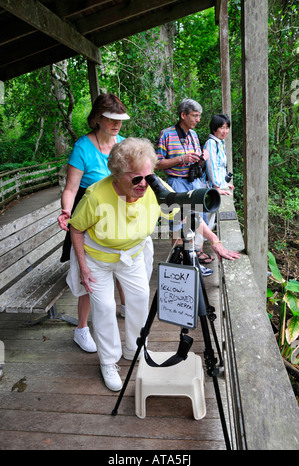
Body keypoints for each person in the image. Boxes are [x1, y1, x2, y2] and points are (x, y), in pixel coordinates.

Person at [66, 137, 240, 392]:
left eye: (147, 176)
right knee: (103, 307)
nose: (143, 184)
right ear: (117, 175)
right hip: (98, 258)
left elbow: (184, 213)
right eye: (135, 178)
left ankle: (134, 346)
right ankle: (108, 360)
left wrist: (214, 240)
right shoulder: (96, 195)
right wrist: (83, 266)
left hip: (132, 255)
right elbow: (77, 228)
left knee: (139, 298)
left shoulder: (153, 189)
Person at [57, 93, 129, 353]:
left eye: (120, 119)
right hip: (88, 217)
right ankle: (82, 329)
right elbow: (71, 188)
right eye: (111, 119)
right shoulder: (83, 147)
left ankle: (125, 308)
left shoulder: (122, 144)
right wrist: (66, 210)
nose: (117, 124)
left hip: (117, 215)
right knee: (90, 275)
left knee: (122, 262)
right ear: (98, 118)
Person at [156, 98, 214, 271]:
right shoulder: (167, 134)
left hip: (193, 181)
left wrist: (202, 159)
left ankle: (197, 254)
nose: (198, 120)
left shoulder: (193, 135)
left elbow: (195, 163)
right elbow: (157, 163)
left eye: (199, 116)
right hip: (176, 182)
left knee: (199, 217)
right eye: (195, 116)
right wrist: (181, 159)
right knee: (178, 221)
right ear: (183, 115)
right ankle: (179, 258)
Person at [203, 114, 234, 195]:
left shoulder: (220, 143)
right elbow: (211, 167)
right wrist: (216, 187)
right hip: (210, 188)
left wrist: (224, 183)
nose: (225, 131)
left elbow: (221, 167)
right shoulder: (211, 143)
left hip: (219, 186)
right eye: (222, 128)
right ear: (214, 128)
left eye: (227, 128)